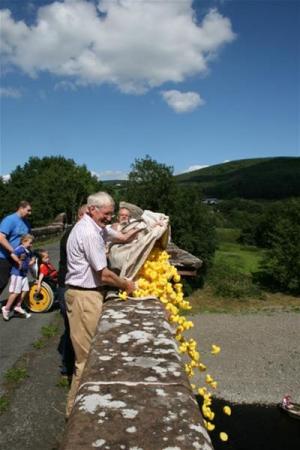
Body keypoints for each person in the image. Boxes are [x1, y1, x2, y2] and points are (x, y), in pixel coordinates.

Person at [65, 191, 136, 418]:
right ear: (92, 209)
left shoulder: (96, 227)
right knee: (86, 360)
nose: (109, 217)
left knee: (90, 356)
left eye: (111, 213)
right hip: (85, 297)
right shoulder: (89, 233)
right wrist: (126, 285)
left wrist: (144, 229)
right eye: (106, 213)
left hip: (87, 295)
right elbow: (104, 275)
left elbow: (120, 237)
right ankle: (74, 416)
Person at [57, 204, 88, 378]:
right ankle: (68, 368)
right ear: (80, 216)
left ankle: (69, 366)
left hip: (66, 285)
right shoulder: (74, 235)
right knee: (72, 328)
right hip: (68, 286)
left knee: (72, 328)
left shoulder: (76, 232)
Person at [0, 201, 32, 296]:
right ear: (21, 208)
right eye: (28, 210)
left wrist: (29, 254)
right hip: (3, 257)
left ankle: (14, 305)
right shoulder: (9, 220)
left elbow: (27, 240)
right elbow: (1, 237)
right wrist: (13, 251)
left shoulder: (27, 223)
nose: (30, 213)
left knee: (16, 282)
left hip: (18, 258)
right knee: (1, 282)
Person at [2, 234, 35, 321]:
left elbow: (31, 259)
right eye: (30, 243)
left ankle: (18, 306)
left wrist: (32, 261)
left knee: (25, 290)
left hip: (23, 274)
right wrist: (18, 261)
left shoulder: (28, 250)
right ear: (24, 242)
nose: (31, 245)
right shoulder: (20, 249)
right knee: (15, 292)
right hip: (17, 274)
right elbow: (13, 254)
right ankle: (6, 308)